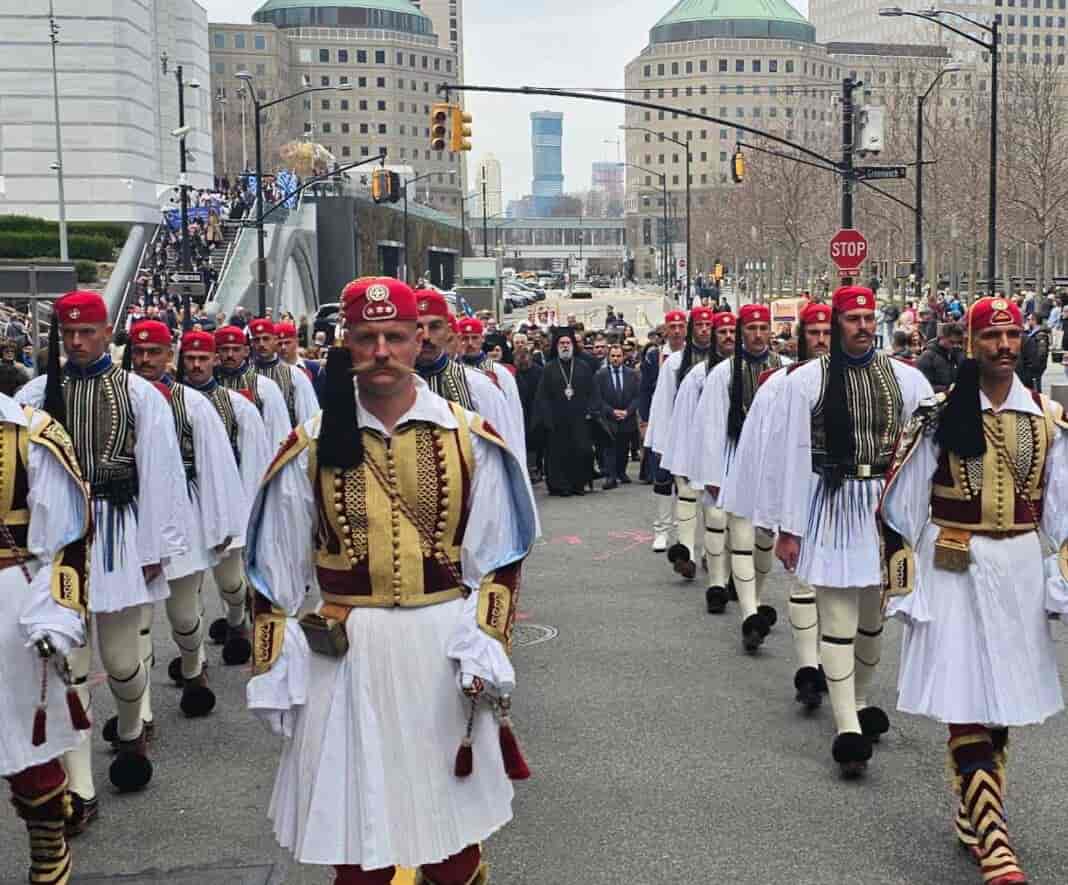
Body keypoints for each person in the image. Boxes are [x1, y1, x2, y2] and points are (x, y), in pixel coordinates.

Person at [243, 277, 537, 885]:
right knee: (355, 840)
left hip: (440, 644)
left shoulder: (467, 437)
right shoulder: (311, 445)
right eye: (366, 337)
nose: (382, 350)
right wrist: (272, 663)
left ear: (419, 339)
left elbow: (501, 557)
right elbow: (271, 570)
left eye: (396, 336)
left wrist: (486, 642)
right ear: (346, 344)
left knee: (451, 844)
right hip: (344, 652)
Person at [881, 296, 1068, 885]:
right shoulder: (940, 414)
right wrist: (904, 585)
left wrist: (1059, 576)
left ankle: (971, 809)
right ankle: (994, 839)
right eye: (993, 336)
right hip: (952, 562)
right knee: (967, 698)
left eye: (1013, 336)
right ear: (972, 344)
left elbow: (1061, 510)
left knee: (1004, 700)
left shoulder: (1047, 416)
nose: (1005, 346)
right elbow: (900, 504)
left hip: (1015, 563)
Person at [16, 291, 189, 813]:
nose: (75, 341)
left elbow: (161, 472)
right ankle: (80, 789)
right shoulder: (35, 393)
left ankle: (133, 727)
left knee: (119, 660)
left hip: (118, 531)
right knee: (69, 663)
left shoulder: (139, 394)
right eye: (68, 333)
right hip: (57, 542)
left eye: (86, 331)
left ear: (106, 330)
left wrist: (158, 546)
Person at [773, 285, 932, 776]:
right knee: (838, 619)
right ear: (837, 324)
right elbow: (791, 460)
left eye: (868, 318)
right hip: (834, 502)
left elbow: (925, 451)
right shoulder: (805, 382)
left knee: (873, 618)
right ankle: (846, 725)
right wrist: (788, 527)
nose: (863, 327)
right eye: (852, 319)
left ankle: (861, 701)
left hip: (884, 510)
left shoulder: (907, 380)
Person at [126, 319, 246, 721]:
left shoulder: (193, 404)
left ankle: (193, 668)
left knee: (182, 614)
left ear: (167, 355)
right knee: (135, 623)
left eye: (154, 352)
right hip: (129, 517)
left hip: (182, 516)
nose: (145, 360)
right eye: (139, 352)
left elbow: (213, 469)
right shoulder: (115, 396)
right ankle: (137, 719)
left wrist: (219, 526)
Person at [719, 302, 832, 705]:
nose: (821, 340)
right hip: (796, 492)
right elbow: (764, 446)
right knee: (802, 579)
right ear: (802, 337)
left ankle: (836, 672)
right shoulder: (780, 383)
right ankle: (807, 668)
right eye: (814, 333)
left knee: (837, 592)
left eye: (827, 332)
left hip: (843, 497)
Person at [0, 389, 91, 883]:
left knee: (22, 740)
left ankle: (47, 844)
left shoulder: (31, 433)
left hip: (8, 602)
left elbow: (67, 539)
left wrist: (56, 614)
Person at [179, 329, 272, 667]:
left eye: (203, 358)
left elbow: (252, 464)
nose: (196, 365)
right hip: (185, 505)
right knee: (186, 595)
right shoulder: (163, 402)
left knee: (231, 582)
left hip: (226, 502)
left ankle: (236, 619)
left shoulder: (237, 406)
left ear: (214, 360)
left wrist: (243, 518)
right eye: (190, 358)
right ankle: (194, 661)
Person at [697, 304, 782, 648]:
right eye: (752, 328)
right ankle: (749, 613)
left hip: (772, 466)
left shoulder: (785, 370)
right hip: (737, 462)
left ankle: (756, 599)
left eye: (764, 328)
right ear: (742, 331)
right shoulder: (724, 373)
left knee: (765, 542)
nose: (758, 335)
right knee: (743, 540)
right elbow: (712, 426)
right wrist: (714, 474)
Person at [649, 310, 715, 580]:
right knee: (687, 496)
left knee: (714, 504)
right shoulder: (675, 362)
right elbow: (663, 403)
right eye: (698, 325)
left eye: (707, 325)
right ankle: (685, 552)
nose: (703, 330)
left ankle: (710, 553)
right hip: (685, 438)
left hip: (714, 441)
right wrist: (663, 443)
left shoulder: (725, 362)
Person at [532, 327, 600, 496]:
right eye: (561, 343)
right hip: (557, 420)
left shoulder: (583, 366)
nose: (564, 346)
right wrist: (547, 417)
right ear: (556, 346)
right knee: (558, 454)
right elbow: (542, 396)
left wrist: (591, 410)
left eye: (567, 343)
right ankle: (560, 486)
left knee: (581, 451)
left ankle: (578, 484)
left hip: (579, 419)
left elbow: (593, 392)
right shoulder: (549, 368)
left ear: (573, 345)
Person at [641, 313, 687, 551]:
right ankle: (661, 530)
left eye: (681, 326)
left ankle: (683, 530)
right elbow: (647, 390)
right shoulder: (653, 355)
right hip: (663, 422)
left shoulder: (694, 356)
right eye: (673, 327)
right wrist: (646, 422)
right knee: (662, 479)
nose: (677, 331)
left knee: (685, 485)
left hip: (686, 427)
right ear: (666, 330)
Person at [214, 325, 291, 446]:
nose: (230, 355)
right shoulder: (209, 383)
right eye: (225, 349)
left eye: (236, 350)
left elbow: (278, 434)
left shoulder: (265, 386)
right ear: (217, 353)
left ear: (246, 351)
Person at [248, 318, 320, 429]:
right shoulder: (245, 376)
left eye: (266, 339)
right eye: (257, 340)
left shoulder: (294, 374)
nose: (261, 344)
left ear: (274, 340)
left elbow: (308, 416)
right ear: (252, 343)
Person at [595, 344, 640, 489]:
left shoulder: (632, 374)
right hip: (609, 418)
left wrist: (627, 411)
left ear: (623, 357)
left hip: (627, 417)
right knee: (609, 447)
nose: (615, 359)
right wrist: (611, 411)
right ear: (609, 357)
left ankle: (621, 472)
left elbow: (637, 397)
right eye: (613, 356)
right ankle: (610, 476)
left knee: (623, 447)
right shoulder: (600, 375)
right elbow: (598, 398)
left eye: (618, 356)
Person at [915, 322, 963, 393]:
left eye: (958, 343)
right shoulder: (927, 357)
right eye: (952, 342)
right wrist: (945, 389)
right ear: (942, 337)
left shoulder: (956, 353)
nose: (955, 346)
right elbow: (921, 385)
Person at [1019, 312, 1051, 391]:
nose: (1027, 321)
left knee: (1036, 388)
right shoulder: (1032, 333)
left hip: (1036, 368)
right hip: (1032, 367)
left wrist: (1036, 367)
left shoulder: (1041, 334)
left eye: (1028, 319)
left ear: (1034, 320)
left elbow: (1041, 354)